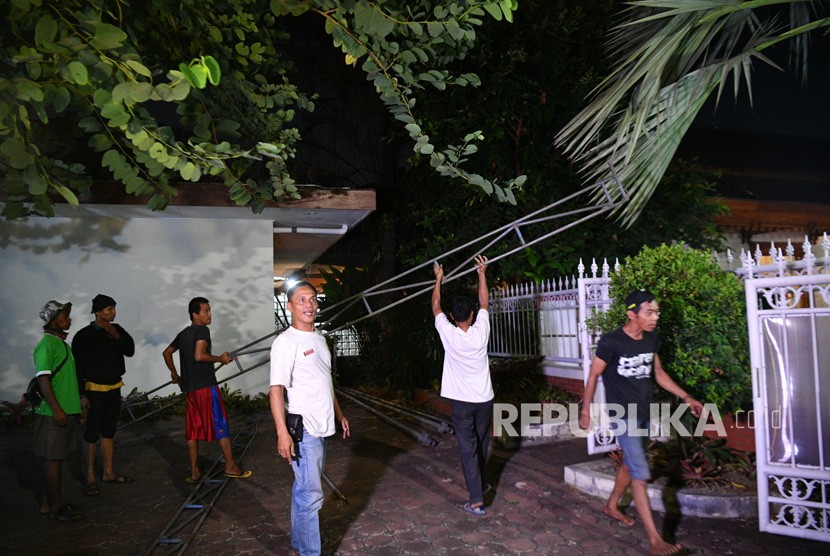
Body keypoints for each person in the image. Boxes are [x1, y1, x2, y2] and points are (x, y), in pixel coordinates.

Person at [579, 290, 704, 556]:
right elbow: (592, 376)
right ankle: (655, 540)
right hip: (622, 415)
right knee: (640, 474)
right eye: (650, 312)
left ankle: (612, 505)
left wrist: (686, 396)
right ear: (631, 314)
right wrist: (586, 411)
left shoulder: (650, 340)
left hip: (644, 414)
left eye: (657, 312)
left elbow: (658, 372)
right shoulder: (611, 342)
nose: (655, 317)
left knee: (631, 464)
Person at [269, 281, 350, 556]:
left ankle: (299, 542)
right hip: (304, 431)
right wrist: (282, 433)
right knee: (311, 495)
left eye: (312, 299)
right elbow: (276, 391)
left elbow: (325, 380)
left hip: (323, 425)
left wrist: (339, 415)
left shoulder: (319, 338)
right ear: (290, 306)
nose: (309, 304)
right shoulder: (285, 343)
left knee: (304, 489)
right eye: (301, 300)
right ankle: (309, 552)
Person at [162, 296, 251, 483]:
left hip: (190, 389)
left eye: (210, 310)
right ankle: (231, 466)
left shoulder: (184, 333)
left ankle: (194, 472)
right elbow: (200, 355)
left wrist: (174, 373)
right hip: (205, 387)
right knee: (220, 423)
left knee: (193, 429)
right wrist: (220, 358)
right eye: (206, 311)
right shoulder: (203, 330)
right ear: (195, 314)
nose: (210, 314)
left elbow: (167, 352)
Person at [432, 255, 494, 516]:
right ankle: (481, 485)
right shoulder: (481, 330)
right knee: (480, 443)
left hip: (462, 403)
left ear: (452, 316)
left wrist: (438, 280)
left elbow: (435, 306)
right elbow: (484, 302)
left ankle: (477, 498)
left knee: (468, 448)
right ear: (471, 314)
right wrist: (482, 273)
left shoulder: (449, 333)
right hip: (484, 400)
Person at [72, 294, 135, 495]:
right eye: (109, 309)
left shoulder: (117, 330)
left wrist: (117, 336)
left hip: (114, 386)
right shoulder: (84, 335)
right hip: (94, 389)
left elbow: (130, 350)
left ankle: (108, 472)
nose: (113, 312)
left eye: (114, 308)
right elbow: (78, 368)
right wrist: (81, 395)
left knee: (109, 431)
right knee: (91, 433)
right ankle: (90, 477)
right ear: (97, 311)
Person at [33, 300, 85, 521]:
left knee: (57, 459)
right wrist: (57, 409)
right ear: (53, 320)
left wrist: (78, 403)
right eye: (64, 316)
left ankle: (50, 503)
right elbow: (43, 378)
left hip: (67, 410)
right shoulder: (47, 345)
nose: (68, 319)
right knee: (53, 460)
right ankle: (56, 507)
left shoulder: (61, 344)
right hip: (55, 413)